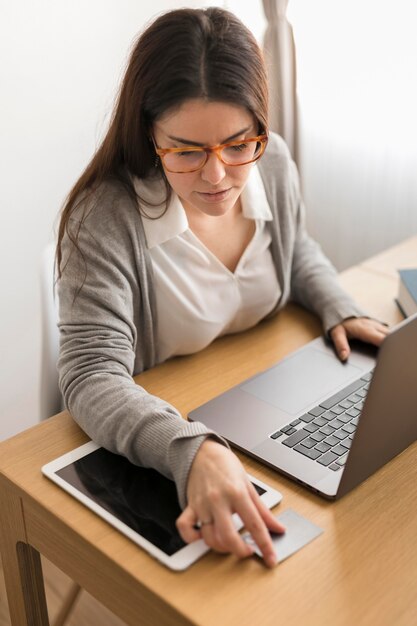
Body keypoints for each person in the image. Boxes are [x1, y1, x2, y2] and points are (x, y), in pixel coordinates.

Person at [56, 7, 389, 569]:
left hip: (259, 400)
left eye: (238, 144)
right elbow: (91, 375)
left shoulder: (274, 163)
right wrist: (191, 447)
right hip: (153, 426)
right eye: (186, 151)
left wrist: (338, 305)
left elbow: (296, 249)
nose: (217, 177)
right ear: (148, 134)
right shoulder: (104, 218)